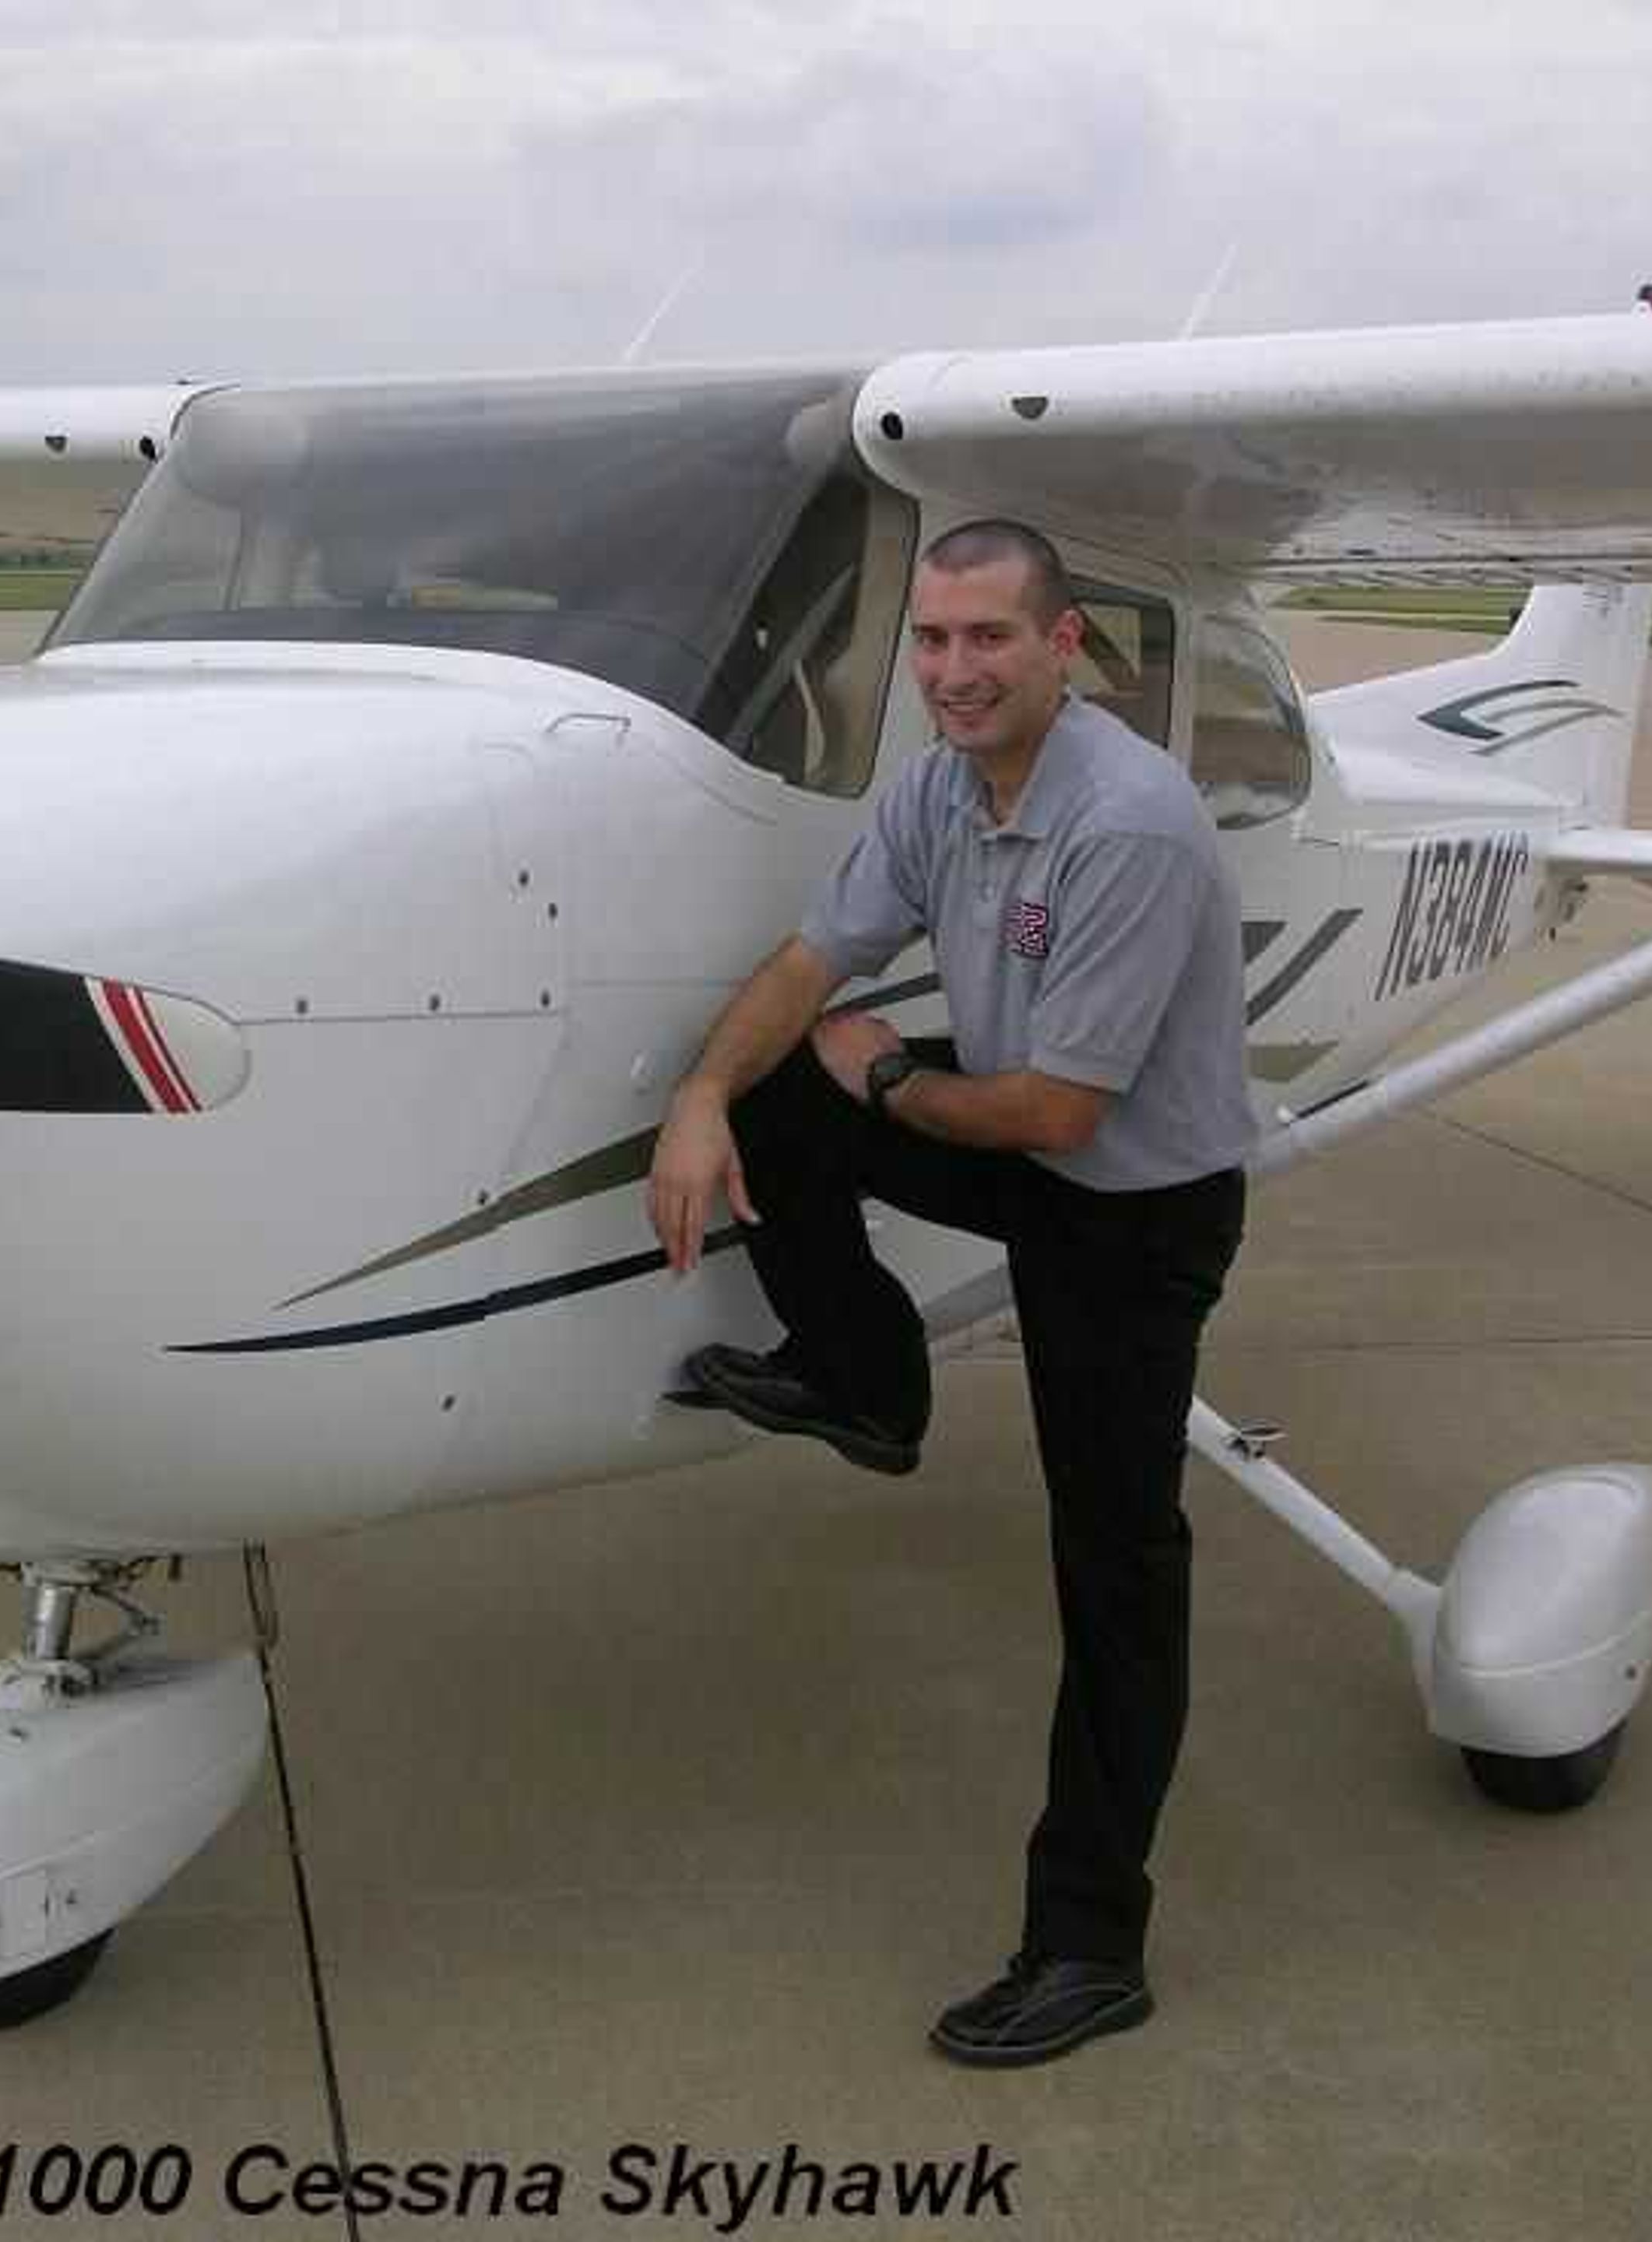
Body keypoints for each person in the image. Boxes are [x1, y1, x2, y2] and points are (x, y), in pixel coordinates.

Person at [645, 518, 1254, 2067]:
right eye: (932, 640)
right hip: (1021, 1135)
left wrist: (897, 1069)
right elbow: (808, 960)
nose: (955, 671)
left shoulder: (1129, 824)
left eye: (991, 638)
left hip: (1131, 1213)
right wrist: (703, 1096)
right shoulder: (935, 787)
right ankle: (868, 1380)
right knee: (782, 1079)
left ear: (1065, 647)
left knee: (1116, 1566)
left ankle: (1089, 1943)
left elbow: (1060, 1117)